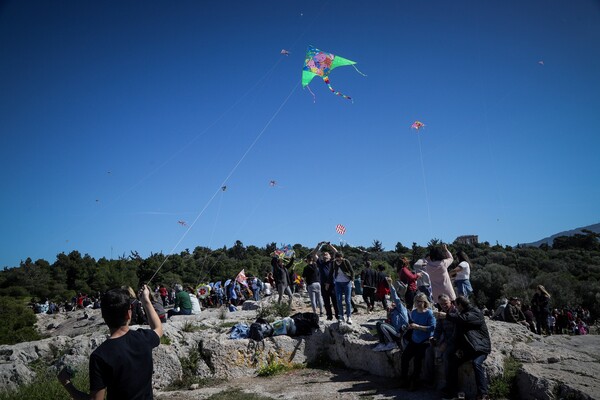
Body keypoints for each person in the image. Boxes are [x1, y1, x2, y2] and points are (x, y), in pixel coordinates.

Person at [58, 285, 163, 399]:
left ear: (103, 316)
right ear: (128, 314)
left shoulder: (99, 356)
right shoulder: (144, 338)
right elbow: (158, 328)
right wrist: (146, 300)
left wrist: (67, 383)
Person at [436, 295, 491, 400]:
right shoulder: (461, 314)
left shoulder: (476, 312)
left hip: (480, 348)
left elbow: (465, 319)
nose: (455, 307)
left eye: (456, 305)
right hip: (469, 348)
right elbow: (458, 334)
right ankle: (454, 392)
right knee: (453, 361)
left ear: (460, 305)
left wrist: (446, 316)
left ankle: (483, 394)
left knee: (476, 363)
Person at [399, 292, 436, 391]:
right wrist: (410, 327)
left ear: (425, 302)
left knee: (417, 360)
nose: (419, 303)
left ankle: (415, 381)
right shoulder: (414, 312)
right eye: (417, 301)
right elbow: (412, 324)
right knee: (404, 357)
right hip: (414, 339)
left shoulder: (429, 313)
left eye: (421, 301)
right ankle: (404, 379)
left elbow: (432, 328)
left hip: (425, 341)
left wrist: (418, 327)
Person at [373, 277, 409, 352]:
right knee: (378, 324)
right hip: (394, 331)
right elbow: (390, 325)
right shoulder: (393, 311)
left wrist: (390, 285)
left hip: (401, 332)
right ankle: (382, 343)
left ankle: (392, 343)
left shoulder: (401, 309)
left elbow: (396, 298)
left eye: (394, 303)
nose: (393, 303)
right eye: (392, 302)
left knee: (381, 325)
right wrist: (389, 314)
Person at [316, 242, 339, 321]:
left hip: (333, 284)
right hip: (323, 285)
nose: (325, 254)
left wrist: (329, 245)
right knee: (326, 302)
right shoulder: (320, 263)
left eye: (327, 253)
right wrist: (318, 246)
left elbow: (336, 252)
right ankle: (329, 316)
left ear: (330, 256)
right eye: (324, 254)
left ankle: (338, 315)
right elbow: (314, 254)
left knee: (335, 301)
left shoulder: (332, 262)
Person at [333, 252, 355, 324]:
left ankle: (349, 317)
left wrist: (352, 280)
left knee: (347, 300)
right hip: (338, 282)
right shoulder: (334, 263)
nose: (339, 259)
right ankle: (341, 316)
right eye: (338, 257)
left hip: (347, 282)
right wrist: (328, 282)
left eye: (340, 257)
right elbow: (331, 272)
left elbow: (352, 271)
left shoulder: (346, 262)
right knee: (338, 300)